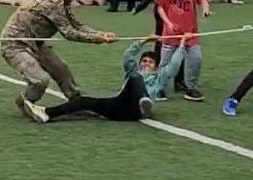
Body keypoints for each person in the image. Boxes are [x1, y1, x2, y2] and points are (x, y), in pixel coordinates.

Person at [1, 0, 118, 118]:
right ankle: (25, 101)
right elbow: (69, 33)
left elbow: (77, 25)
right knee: (41, 80)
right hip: (15, 45)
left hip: (37, 43)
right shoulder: (52, 3)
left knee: (61, 70)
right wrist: (98, 39)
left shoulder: (63, 2)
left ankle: (77, 103)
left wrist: (101, 34)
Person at [22, 33, 192, 124]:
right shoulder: (134, 72)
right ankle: (47, 113)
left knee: (136, 78)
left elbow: (174, 65)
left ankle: (144, 102)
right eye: (144, 61)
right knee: (83, 101)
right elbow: (128, 56)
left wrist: (183, 43)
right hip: (121, 108)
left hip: (138, 112)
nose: (146, 64)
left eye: (150, 62)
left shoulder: (160, 77)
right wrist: (144, 40)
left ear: (156, 67)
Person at [156, 0, 211, 101]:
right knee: (165, 63)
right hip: (171, 34)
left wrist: (205, 10)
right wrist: (168, 23)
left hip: (191, 33)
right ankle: (159, 88)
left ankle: (191, 88)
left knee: (196, 60)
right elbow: (160, 8)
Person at [134, 0, 186, 96]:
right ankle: (155, 81)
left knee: (180, 48)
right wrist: (141, 6)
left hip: (179, 18)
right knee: (161, 48)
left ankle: (179, 82)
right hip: (163, 18)